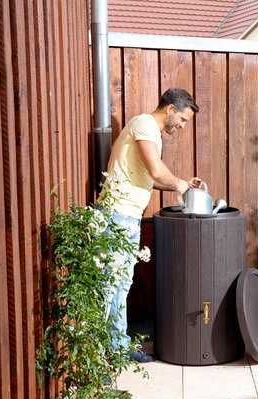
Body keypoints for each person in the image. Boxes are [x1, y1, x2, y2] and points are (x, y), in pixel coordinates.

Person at [100, 88, 201, 363]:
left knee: (121, 284)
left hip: (128, 215)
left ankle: (117, 348)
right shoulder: (144, 124)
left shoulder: (151, 132)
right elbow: (156, 171)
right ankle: (99, 355)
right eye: (182, 119)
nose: (181, 126)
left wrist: (181, 184)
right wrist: (178, 183)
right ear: (169, 109)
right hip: (117, 214)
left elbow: (148, 178)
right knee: (110, 286)